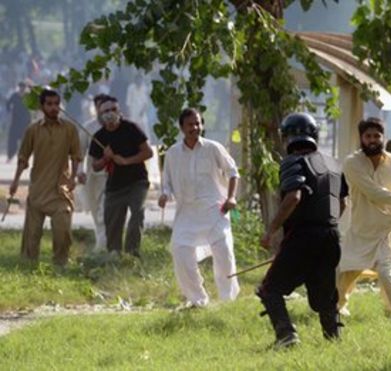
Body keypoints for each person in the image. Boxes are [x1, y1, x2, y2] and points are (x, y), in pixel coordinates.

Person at [258, 113, 342, 349]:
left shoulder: (292, 162)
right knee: (325, 297)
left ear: (286, 137)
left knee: (269, 289)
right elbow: (342, 204)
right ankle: (333, 339)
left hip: (302, 236)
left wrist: (271, 230)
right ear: (314, 135)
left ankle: (286, 335)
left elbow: (294, 196)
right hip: (331, 235)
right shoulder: (333, 164)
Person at [338, 117, 391, 318]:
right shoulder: (352, 163)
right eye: (368, 136)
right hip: (360, 232)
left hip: (388, 232)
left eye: (377, 136)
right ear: (361, 138)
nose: (372, 140)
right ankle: (336, 309)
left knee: (388, 276)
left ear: (383, 137)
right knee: (341, 278)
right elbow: (374, 192)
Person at [159, 108, 240, 307]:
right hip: (186, 214)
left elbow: (233, 172)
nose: (195, 128)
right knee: (180, 251)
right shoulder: (172, 153)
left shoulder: (213, 148)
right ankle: (197, 299)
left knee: (224, 253)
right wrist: (164, 195)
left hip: (215, 210)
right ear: (181, 128)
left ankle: (227, 301)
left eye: (198, 124)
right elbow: (166, 183)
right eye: (190, 124)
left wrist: (231, 198)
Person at [9, 88, 81, 266]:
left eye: (57, 104)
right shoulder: (32, 130)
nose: (54, 108)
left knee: (62, 231)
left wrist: (73, 178)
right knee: (31, 236)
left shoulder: (70, 129)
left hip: (60, 190)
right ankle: (28, 266)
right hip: (38, 190)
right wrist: (15, 181)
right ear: (42, 107)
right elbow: (23, 158)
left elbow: (76, 155)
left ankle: (61, 265)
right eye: (49, 104)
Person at [89, 96, 153, 257]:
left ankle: (132, 252)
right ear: (100, 114)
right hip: (114, 185)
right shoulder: (99, 137)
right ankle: (115, 254)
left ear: (119, 111)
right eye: (105, 111)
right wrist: (106, 158)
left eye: (113, 110)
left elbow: (148, 152)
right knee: (113, 221)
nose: (110, 113)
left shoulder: (131, 128)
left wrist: (126, 161)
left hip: (137, 181)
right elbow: (95, 166)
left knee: (137, 214)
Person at [75, 93, 110, 251]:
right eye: (99, 107)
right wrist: (79, 172)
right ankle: (102, 241)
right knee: (96, 212)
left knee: (105, 211)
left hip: (111, 176)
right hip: (93, 177)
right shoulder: (88, 127)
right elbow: (79, 152)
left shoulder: (119, 126)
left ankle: (103, 247)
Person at [6, 81, 31, 162]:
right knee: (12, 138)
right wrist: (9, 110)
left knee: (25, 140)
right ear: (19, 87)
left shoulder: (28, 96)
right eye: (21, 87)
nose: (22, 89)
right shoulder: (15, 95)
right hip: (16, 120)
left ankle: (24, 156)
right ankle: (10, 155)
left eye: (23, 87)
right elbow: (8, 104)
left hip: (25, 120)